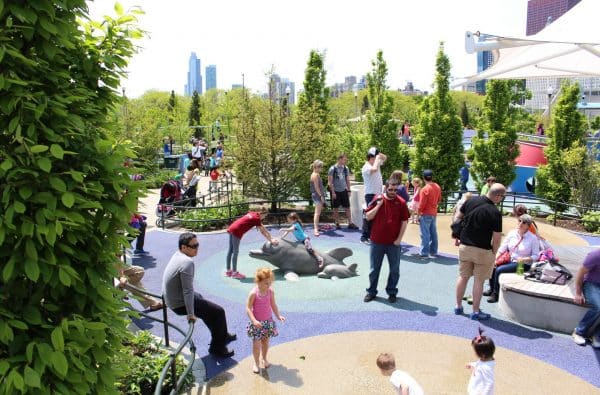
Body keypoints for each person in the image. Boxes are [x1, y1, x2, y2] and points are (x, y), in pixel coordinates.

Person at [162, 233, 237, 358]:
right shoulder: (186, 263)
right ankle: (217, 347)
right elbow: (187, 290)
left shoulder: (177, 255)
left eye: (197, 245)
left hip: (172, 299)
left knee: (202, 300)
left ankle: (222, 335)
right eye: (194, 246)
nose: (197, 248)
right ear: (184, 247)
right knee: (218, 312)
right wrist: (191, 314)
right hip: (179, 304)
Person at [454, 183, 506, 320]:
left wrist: (458, 235)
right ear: (498, 196)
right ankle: (475, 311)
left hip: (465, 246)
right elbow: (496, 238)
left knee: (463, 277)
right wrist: (494, 253)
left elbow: (458, 217)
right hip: (483, 250)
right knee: (479, 281)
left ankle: (458, 306)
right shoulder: (495, 212)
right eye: (503, 196)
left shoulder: (471, 200)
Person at [363, 180, 409, 303]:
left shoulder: (401, 202)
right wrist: (378, 205)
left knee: (394, 270)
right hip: (376, 242)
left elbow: (404, 221)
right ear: (386, 188)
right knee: (374, 270)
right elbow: (368, 216)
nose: (393, 192)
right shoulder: (377, 199)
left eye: (395, 190)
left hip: (393, 244)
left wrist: (399, 239)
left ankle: (392, 291)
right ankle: (371, 292)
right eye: (390, 190)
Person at [486, 214, 540, 303]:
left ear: (528, 226)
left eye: (524, 222)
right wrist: (495, 259)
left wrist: (525, 259)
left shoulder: (533, 238)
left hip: (522, 264)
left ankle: (496, 294)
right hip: (509, 259)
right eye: (520, 220)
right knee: (493, 266)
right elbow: (502, 248)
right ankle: (491, 289)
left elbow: (536, 256)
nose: (521, 223)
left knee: (499, 270)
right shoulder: (512, 233)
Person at [246, 268, 285, 373]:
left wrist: (278, 315)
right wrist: (254, 320)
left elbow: (273, 304)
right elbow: (248, 308)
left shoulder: (270, 292)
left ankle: (264, 359)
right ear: (258, 282)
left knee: (265, 342)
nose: (269, 285)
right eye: (266, 283)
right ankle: (256, 363)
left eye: (270, 283)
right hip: (257, 324)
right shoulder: (253, 293)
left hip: (268, 322)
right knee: (256, 345)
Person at [226, 211, 279, 279]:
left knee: (230, 250)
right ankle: (234, 273)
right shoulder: (256, 219)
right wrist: (271, 241)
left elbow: (262, 226)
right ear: (262, 214)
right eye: (265, 216)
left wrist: (270, 236)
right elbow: (262, 231)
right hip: (237, 231)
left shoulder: (253, 213)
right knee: (235, 252)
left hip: (232, 227)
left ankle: (228, 271)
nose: (264, 217)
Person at [572, 249, 600, 348]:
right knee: (597, 306)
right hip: (591, 283)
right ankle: (579, 332)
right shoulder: (596, 254)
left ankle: (597, 336)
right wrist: (578, 293)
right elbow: (580, 273)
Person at [361, 147, 387, 244]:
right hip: (370, 194)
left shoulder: (376, 161)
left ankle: (372, 235)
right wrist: (377, 159)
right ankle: (364, 237)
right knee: (369, 216)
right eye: (374, 158)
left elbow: (385, 158)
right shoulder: (366, 166)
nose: (376, 159)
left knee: (376, 216)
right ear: (370, 158)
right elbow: (375, 169)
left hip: (378, 194)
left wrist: (379, 154)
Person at [327, 154, 358, 230]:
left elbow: (347, 180)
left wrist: (349, 190)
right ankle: (337, 223)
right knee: (336, 208)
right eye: (344, 159)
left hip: (344, 190)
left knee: (347, 207)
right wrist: (333, 192)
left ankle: (350, 223)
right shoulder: (332, 169)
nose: (345, 161)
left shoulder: (345, 168)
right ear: (339, 159)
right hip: (335, 191)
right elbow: (330, 182)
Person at [417, 170, 442, 258]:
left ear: (423, 178)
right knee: (433, 233)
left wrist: (418, 213)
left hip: (425, 213)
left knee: (425, 234)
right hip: (433, 213)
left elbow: (422, 204)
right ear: (432, 177)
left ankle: (424, 253)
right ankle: (433, 251)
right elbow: (439, 199)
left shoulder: (424, 189)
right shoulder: (437, 186)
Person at [466, 328, 496, 395]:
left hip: (480, 392)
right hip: (477, 387)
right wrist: (472, 364)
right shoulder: (485, 360)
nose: (474, 353)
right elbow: (479, 364)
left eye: (475, 351)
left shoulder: (486, 368)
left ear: (482, 355)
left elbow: (490, 383)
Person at [310, 160, 326, 237]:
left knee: (318, 212)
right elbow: (316, 187)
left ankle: (317, 227)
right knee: (317, 213)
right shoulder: (315, 175)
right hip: (317, 195)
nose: (321, 169)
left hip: (317, 195)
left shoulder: (316, 174)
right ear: (316, 167)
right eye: (320, 167)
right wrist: (321, 196)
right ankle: (315, 229)